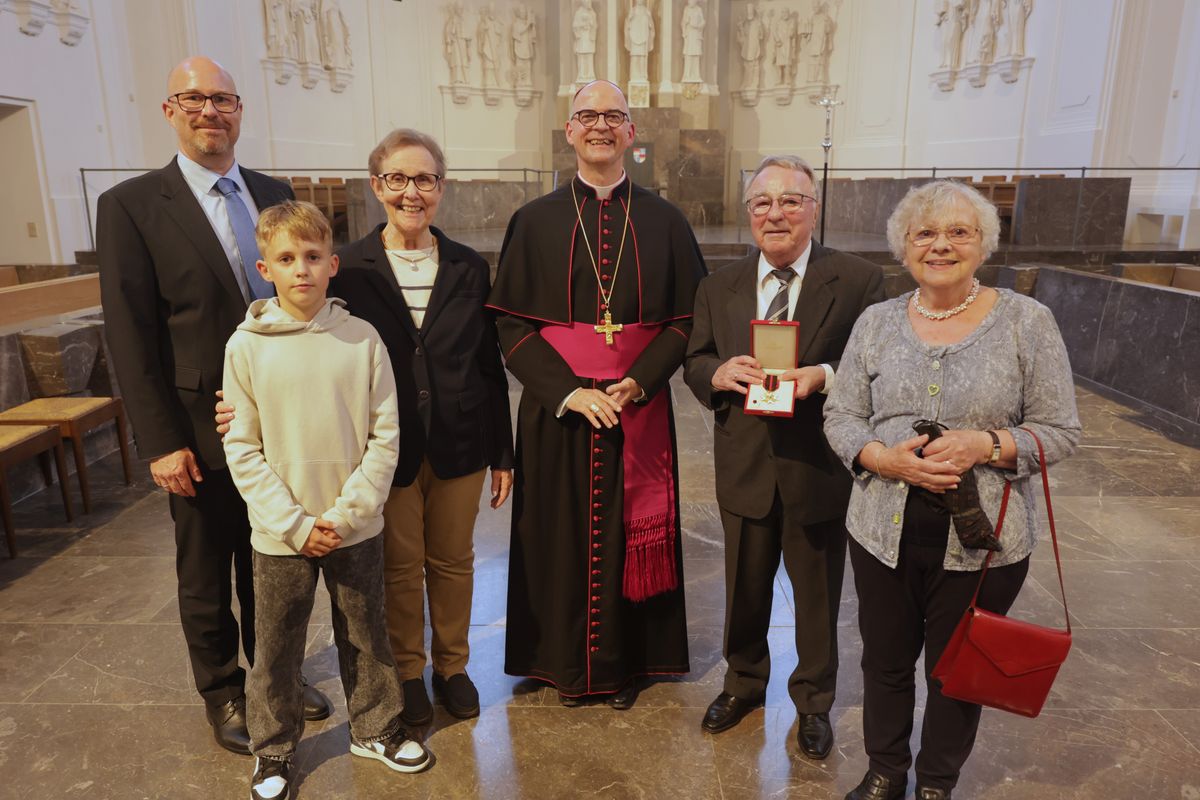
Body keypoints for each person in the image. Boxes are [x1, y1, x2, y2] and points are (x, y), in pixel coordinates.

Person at [216, 129, 514, 726]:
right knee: (399, 568)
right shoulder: (346, 266)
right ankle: (408, 670)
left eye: (425, 179)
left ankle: (452, 666)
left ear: (441, 188)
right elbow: (300, 328)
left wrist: (502, 451)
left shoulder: (467, 265)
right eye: (398, 179)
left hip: (460, 438)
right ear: (377, 186)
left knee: (455, 561)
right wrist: (244, 398)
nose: (412, 192)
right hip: (383, 446)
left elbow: (488, 364)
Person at [97, 56, 330, 756]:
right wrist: (161, 441)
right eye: (193, 99)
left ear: (239, 109)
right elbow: (129, 333)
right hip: (196, 427)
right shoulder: (132, 205)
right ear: (169, 110)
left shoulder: (272, 191)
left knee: (273, 562)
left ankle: (275, 678)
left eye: (222, 99)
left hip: (276, 421)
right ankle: (223, 690)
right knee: (206, 570)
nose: (210, 111)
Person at [823, 180, 1080, 800]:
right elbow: (840, 416)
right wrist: (882, 457)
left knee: (957, 674)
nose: (941, 245)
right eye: (925, 233)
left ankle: (936, 783)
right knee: (883, 664)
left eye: (959, 232)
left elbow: (1061, 430)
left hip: (982, 540)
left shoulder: (1027, 322)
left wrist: (984, 445)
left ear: (984, 244)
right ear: (904, 247)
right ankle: (885, 771)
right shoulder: (877, 321)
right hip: (881, 530)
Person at [486, 80, 705, 709]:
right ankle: (558, 662)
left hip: (638, 406)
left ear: (632, 132)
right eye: (588, 116)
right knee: (553, 533)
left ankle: (624, 667)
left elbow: (688, 320)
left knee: (629, 531)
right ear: (570, 131)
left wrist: (641, 379)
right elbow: (508, 322)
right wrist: (569, 393)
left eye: (614, 116)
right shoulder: (535, 220)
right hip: (558, 410)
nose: (600, 126)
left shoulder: (665, 220)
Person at [222, 201, 432, 800]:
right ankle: (273, 749)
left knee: (367, 631)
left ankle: (375, 726)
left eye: (313, 257)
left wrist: (346, 514)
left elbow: (384, 433)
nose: (301, 270)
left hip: (353, 525)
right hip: (279, 531)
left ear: (333, 263)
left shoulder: (361, 339)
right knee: (278, 644)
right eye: (286, 259)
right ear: (266, 267)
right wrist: (292, 524)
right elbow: (242, 445)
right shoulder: (248, 346)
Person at [683, 155, 883, 759]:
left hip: (817, 465)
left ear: (814, 208)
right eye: (763, 203)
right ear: (749, 214)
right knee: (743, 587)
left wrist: (820, 375)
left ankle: (814, 701)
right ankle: (743, 683)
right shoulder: (718, 285)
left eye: (791, 201)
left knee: (818, 595)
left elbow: (875, 365)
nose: (776, 213)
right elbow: (695, 358)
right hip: (744, 461)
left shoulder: (857, 280)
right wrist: (717, 372)